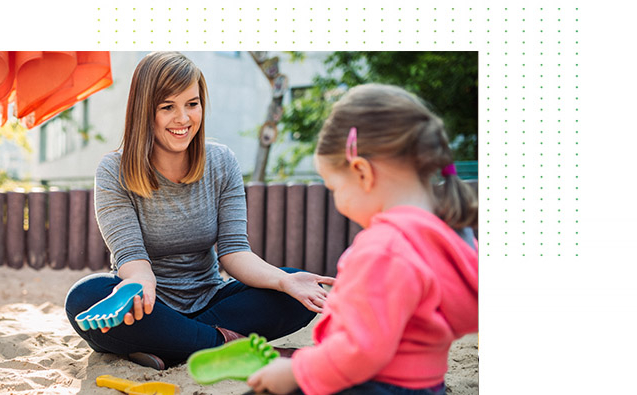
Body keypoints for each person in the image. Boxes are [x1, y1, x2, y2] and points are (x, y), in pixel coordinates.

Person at [64, 52, 334, 370]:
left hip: (213, 302)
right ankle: (222, 347)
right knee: (85, 297)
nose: (183, 118)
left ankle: (176, 345)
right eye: (168, 107)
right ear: (145, 112)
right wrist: (140, 284)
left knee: (293, 286)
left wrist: (282, 282)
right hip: (150, 307)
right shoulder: (114, 170)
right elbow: (131, 258)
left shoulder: (221, 162)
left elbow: (235, 253)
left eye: (192, 104)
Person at [247, 83, 479, 395]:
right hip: (427, 386)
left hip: (372, 384)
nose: (337, 200)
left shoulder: (386, 248)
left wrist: (295, 370)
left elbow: (361, 350)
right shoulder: (450, 236)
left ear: (362, 172)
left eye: (334, 187)